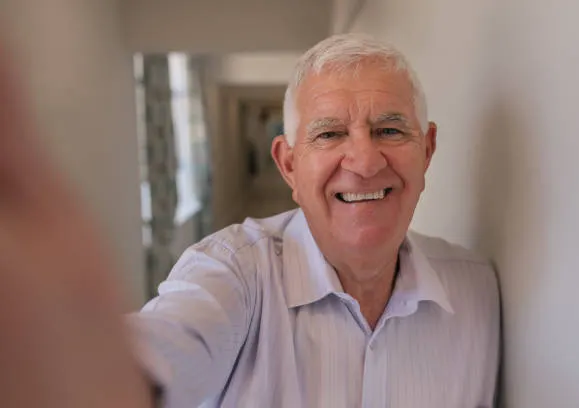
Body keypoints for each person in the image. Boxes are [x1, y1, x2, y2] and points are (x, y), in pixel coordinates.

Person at [0, 34, 499, 408]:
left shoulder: (477, 291)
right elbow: (166, 346)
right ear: (288, 165)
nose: (365, 162)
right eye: (329, 135)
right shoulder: (234, 273)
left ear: (426, 150)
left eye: (389, 129)